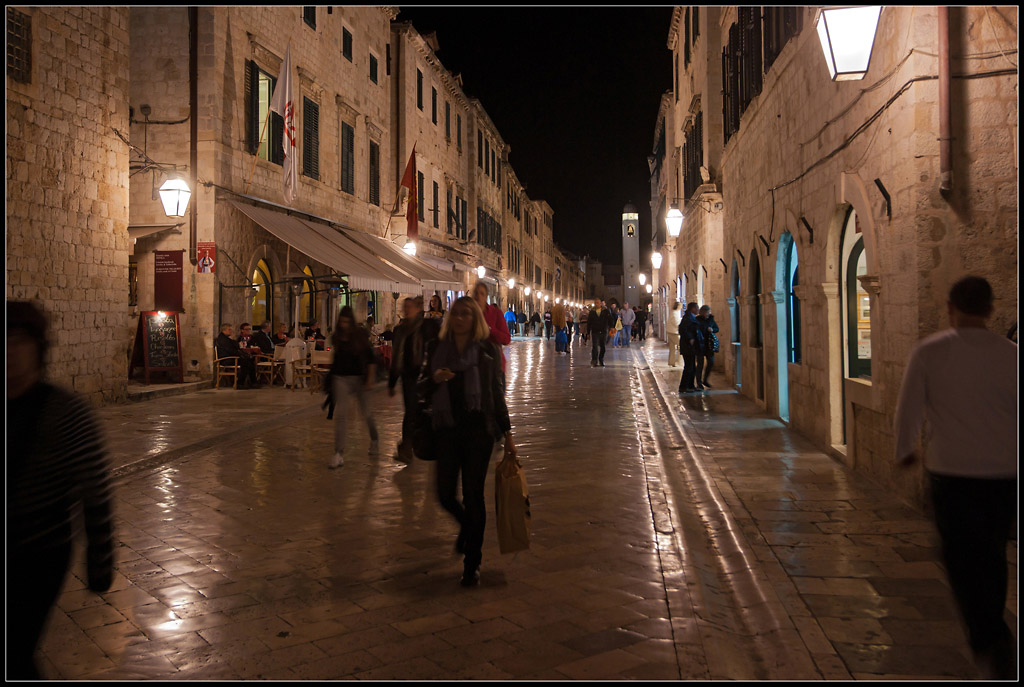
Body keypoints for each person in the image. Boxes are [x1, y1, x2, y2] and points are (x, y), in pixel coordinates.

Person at [894, 276, 1017, 680]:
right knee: (993, 556)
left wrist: (905, 449)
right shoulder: (1012, 356)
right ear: (990, 310)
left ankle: (988, 639)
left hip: (953, 475)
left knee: (961, 560)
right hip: (1003, 476)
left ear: (950, 308)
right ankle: (994, 633)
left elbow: (908, 408)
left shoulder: (930, 352)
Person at [7, 301, 115, 679]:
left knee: (15, 651)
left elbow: (95, 490)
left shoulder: (65, 413)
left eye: (18, 341)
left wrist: (101, 560)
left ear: (38, 348)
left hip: (39, 553)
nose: (9, 351)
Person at [420, 296, 516, 587]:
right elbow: (420, 387)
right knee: (445, 494)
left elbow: (496, 394)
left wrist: (508, 434)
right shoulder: (436, 347)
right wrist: (435, 379)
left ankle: (472, 562)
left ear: (475, 319)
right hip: (446, 430)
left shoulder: (486, 350)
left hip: (478, 431)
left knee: (474, 496)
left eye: (466, 313)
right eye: (456, 313)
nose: (460, 318)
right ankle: (466, 526)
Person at [389, 296, 440, 462]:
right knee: (410, 411)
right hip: (408, 376)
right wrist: (392, 381)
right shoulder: (400, 330)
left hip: (425, 375)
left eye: (409, 307)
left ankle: (416, 444)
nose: (406, 311)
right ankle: (407, 447)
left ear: (418, 309)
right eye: (405, 307)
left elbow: (437, 345)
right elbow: (396, 356)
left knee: (418, 411)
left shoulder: (427, 326)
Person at [328, 306, 379, 468]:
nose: (344, 325)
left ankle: (374, 439)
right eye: (342, 322)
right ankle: (339, 452)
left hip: (359, 378)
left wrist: (370, 379)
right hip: (341, 377)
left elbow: (371, 358)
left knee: (366, 413)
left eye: (347, 322)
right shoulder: (336, 337)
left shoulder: (360, 336)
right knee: (341, 414)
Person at [472, 281, 512, 380]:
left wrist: (490, 330)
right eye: (476, 293)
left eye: (481, 293)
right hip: (473, 366)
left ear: (486, 297)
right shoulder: (468, 314)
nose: (478, 296)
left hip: (494, 366)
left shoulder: (496, 313)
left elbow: (506, 339)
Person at [216, 323, 259, 388]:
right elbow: (231, 350)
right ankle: (240, 383)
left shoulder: (225, 338)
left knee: (249, 361)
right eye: (229, 329)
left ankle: (253, 382)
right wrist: (240, 355)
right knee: (246, 362)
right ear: (224, 330)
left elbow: (234, 345)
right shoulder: (222, 340)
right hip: (226, 359)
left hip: (230, 357)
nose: (231, 331)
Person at [678, 302, 702, 392]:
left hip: (690, 346)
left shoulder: (690, 317)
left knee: (692, 366)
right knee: (689, 366)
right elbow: (683, 330)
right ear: (693, 309)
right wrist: (690, 338)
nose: (698, 310)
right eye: (697, 308)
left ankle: (690, 385)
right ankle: (684, 386)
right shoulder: (688, 318)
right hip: (687, 346)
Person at [696, 305, 720, 387]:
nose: (708, 313)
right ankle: (699, 382)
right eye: (707, 312)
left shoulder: (711, 319)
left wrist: (712, 330)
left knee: (711, 362)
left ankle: (705, 379)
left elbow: (716, 328)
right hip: (700, 344)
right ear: (703, 312)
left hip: (709, 344)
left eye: (709, 312)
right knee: (700, 364)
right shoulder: (697, 320)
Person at [588, 301, 614, 367]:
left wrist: (611, 327)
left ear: (600, 303)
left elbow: (610, 319)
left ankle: (601, 359)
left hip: (603, 331)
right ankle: (594, 360)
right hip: (595, 331)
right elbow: (589, 322)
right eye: (596, 303)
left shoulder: (605, 311)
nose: (597, 304)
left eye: (598, 303)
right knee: (595, 346)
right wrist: (588, 333)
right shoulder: (592, 311)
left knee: (603, 346)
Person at [667, 302, 683, 367]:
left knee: (672, 348)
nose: (681, 307)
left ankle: (671, 362)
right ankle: (680, 362)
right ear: (678, 306)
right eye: (680, 306)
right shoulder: (675, 313)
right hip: (674, 332)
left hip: (670, 331)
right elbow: (676, 323)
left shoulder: (674, 312)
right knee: (681, 345)